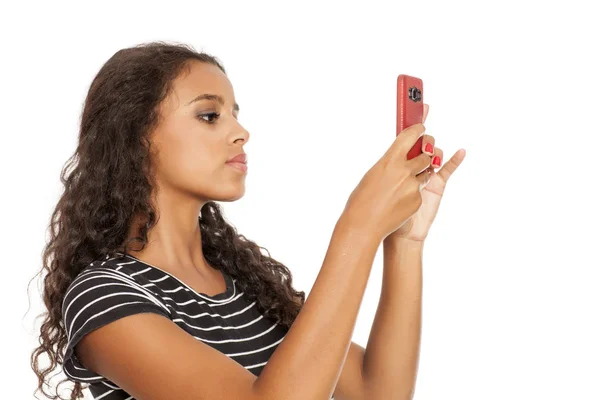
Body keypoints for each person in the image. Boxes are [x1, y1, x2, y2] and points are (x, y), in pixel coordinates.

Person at [30, 41, 466, 400]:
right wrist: (358, 227)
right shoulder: (104, 297)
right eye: (209, 115)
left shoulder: (246, 284)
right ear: (136, 138)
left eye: (235, 113)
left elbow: (378, 395)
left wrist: (403, 243)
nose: (240, 132)